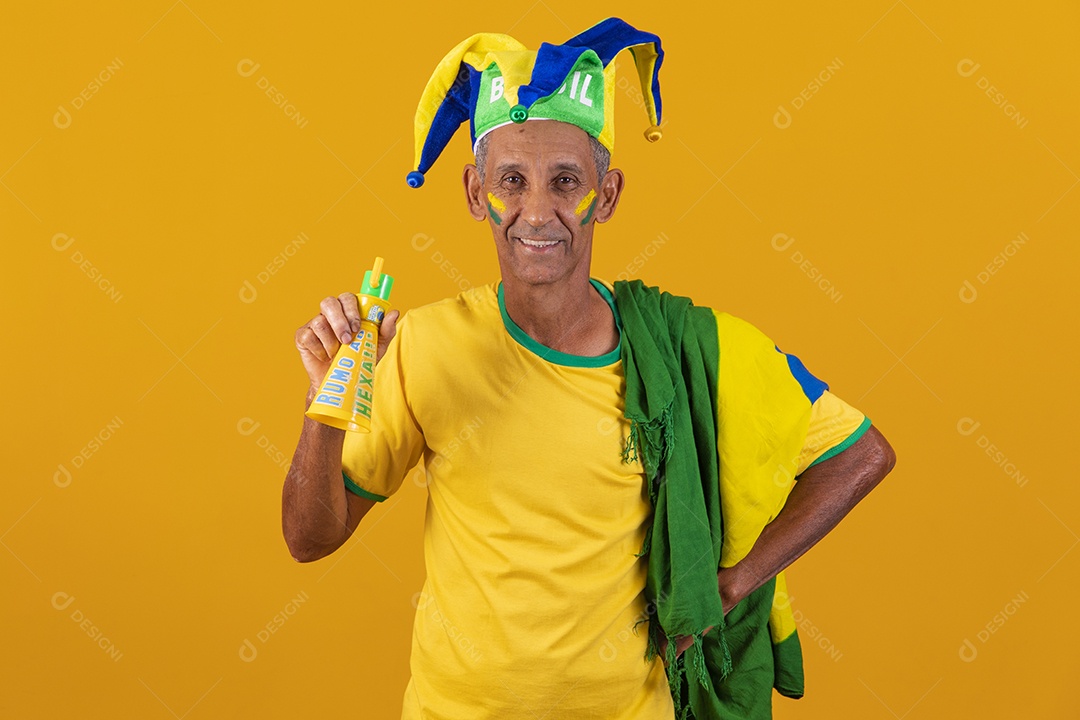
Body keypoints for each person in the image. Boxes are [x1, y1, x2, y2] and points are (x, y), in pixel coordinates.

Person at [282, 17, 896, 720]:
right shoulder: (422, 345)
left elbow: (862, 454)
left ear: (605, 196)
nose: (536, 210)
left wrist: (731, 585)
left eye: (564, 180)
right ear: (475, 193)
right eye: (511, 180)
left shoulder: (683, 348)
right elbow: (309, 538)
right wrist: (325, 404)